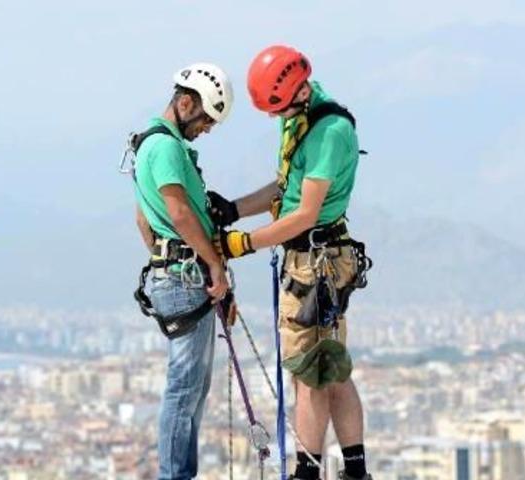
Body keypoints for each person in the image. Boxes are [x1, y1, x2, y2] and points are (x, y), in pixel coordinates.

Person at [209, 45, 372, 480]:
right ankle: (354, 471)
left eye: (274, 108)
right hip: (316, 258)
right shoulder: (304, 119)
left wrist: (242, 244)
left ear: (293, 92)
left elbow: (304, 213)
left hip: (314, 261)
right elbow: (286, 189)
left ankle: (307, 471)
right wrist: (234, 209)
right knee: (331, 368)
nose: (272, 117)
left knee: (310, 373)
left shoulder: (327, 131)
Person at [129, 62, 234, 480]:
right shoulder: (166, 148)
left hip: (176, 271)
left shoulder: (149, 145)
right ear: (185, 103)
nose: (206, 129)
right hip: (186, 276)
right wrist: (210, 263)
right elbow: (178, 210)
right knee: (185, 387)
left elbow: (143, 220)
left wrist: (164, 256)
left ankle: (180, 474)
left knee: (192, 388)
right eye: (206, 119)